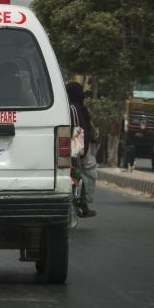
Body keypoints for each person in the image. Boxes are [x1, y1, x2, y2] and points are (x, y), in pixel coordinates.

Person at [66, 81, 98, 217]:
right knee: (90, 171)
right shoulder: (81, 109)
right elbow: (89, 131)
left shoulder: (66, 107)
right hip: (79, 148)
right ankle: (84, 201)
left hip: (65, 148)